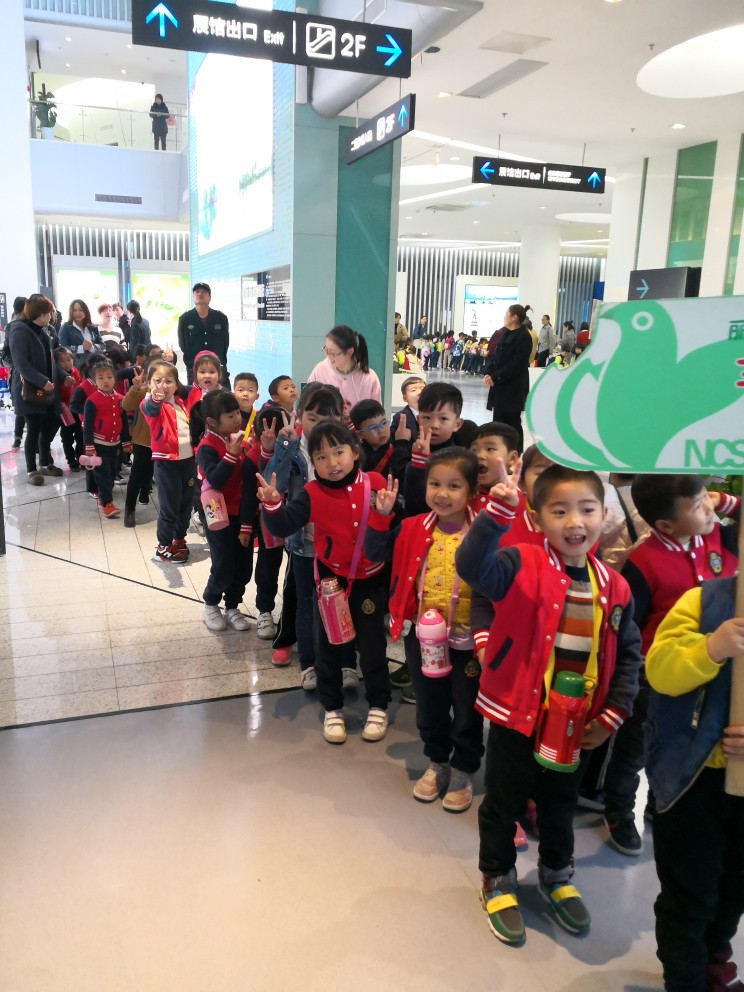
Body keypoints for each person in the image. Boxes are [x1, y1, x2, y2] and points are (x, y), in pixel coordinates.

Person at [455, 464, 641, 945]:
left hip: (576, 725)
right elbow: (473, 569)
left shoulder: (615, 586)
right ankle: (497, 877)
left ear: (603, 515)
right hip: (517, 716)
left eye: (587, 509)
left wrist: (613, 714)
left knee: (560, 806)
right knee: (504, 802)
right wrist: (496, 515)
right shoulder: (520, 562)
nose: (575, 521)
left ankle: (556, 874)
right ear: (537, 520)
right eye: (559, 511)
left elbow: (628, 655)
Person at [598, 476, 740, 856]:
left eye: (706, 499)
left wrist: (723, 500)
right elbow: (628, 627)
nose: (708, 509)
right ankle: (619, 808)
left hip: (716, 674)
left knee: (693, 741)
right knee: (639, 747)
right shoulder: (644, 562)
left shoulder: (718, 538)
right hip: (656, 674)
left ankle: (662, 801)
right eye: (697, 506)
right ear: (665, 525)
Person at [257, 420, 392, 745]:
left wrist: (385, 514)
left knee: (373, 647)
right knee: (328, 647)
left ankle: (378, 705)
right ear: (313, 463)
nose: (332, 463)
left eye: (338, 452)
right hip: (331, 583)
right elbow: (283, 525)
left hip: (370, 580)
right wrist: (273, 504)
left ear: (354, 452)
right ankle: (332, 708)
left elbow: (386, 539)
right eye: (321, 457)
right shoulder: (312, 493)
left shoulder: (374, 484)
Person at [366, 448, 486, 812]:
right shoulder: (413, 526)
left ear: (471, 491)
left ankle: (463, 770)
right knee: (429, 706)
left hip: (469, 642)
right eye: (435, 484)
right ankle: (437, 762)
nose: (442, 493)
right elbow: (376, 552)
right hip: (424, 639)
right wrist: (380, 516)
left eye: (454, 485)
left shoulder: (483, 531)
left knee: (467, 710)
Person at [645, 576, 744, 992]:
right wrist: (711, 647)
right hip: (691, 783)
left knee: (733, 893)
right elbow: (659, 670)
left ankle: (711, 963)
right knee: (690, 897)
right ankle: (685, 981)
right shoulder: (705, 600)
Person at [262, 385, 346, 681]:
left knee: (338, 600)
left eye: (329, 418)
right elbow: (276, 482)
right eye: (312, 418)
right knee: (305, 602)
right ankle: (308, 663)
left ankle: (342, 660)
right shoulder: (295, 449)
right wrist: (284, 446)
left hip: (338, 544)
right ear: (299, 416)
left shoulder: (344, 450)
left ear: (341, 418)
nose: (320, 425)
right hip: (303, 543)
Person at [196, 389, 258, 632]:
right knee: (223, 563)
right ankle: (211, 603)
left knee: (243, 565)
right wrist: (232, 455)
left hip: (240, 512)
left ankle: (232, 605)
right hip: (216, 512)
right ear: (212, 422)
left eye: (237, 413)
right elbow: (216, 478)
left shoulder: (236, 440)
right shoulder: (207, 446)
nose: (237, 419)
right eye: (230, 416)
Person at [8, 295, 69, 485]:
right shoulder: (19, 331)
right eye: (49, 313)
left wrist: (64, 376)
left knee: (48, 426)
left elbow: (51, 361)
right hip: (29, 391)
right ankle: (31, 470)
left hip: (48, 390)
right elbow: (21, 364)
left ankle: (44, 463)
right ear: (40, 314)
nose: (51, 316)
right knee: (33, 429)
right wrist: (42, 381)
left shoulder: (44, 331)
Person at [140, 360, 194, 564]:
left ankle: (179, 539)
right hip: (166, 463)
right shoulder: (150, 403)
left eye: (169, 381)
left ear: (176, 384)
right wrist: (155, 397)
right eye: (157, 380)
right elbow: (151, 409)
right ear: (148, 383)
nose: (163, 385)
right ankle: (163, 546)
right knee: (169, 507)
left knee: (185, 505)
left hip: (188, 462)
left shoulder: (179, 402)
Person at [82, 359, 131, 519]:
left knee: (113, 472)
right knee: (103, 474)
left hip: (115, 444)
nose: (106, 381)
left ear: (114, 379)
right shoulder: (92, 401)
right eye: (101, 378)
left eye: (109, 377)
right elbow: (88, 425)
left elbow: (124, 422)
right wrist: (89, 445)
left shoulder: (120, 398)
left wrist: (126, 441)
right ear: (94, 381)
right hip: (99, 444)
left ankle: (103, 496)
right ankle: (107, 504)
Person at [483, 304, 532, 451]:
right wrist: (489, 373)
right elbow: (496, 357)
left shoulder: (524, 337)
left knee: (512, 422)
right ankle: (500, 451)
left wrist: (496, 377)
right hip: (500, 386)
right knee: (498, 421)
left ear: (514, 317)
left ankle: (514, 453)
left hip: (513, 387)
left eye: (506, 314)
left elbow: (516, 364)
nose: (504, 317)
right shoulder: (505, 333)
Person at [306, 324, 381, 417]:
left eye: (333, 352)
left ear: (350, 352)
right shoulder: (320, 371)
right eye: (326, 350)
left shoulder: (369, 378)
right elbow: (307, 406)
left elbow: (377, 416)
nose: (328, 356)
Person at [120, 358, 155, 528]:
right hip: (143, 440)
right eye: (153, 374)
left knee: (152, 471)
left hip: (162, 441)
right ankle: (130, 508)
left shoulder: (171, 393)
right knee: (137, 473)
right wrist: (135, 387)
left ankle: (145, 490)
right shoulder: (143, 391)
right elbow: (126, 405)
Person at [177, 282, 229, 387]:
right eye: (197, 292)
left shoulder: (221, 318)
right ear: (193, 296)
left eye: (204, 291)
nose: (200, 294)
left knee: (221, 396)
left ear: (209, 297)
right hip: (194, 370)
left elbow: (225, 344)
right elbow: (183, 345)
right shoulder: (185, 319)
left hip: (217, 369)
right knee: (196, 396)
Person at [349, 399, 411, 483]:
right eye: (373, 427)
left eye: (384, 423)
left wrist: (402, 444)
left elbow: (405, 479)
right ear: (360, 434)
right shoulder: (357, 456)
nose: (381, 430)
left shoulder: (398, 448)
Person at [54, 347, 83, 472]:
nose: (66, 363)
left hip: (77, 410)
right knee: (67, 437)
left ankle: (80, 458)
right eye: (62, 361)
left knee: (80, 435)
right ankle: (71, 461)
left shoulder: (76, 371)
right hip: (65, 411)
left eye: (69, 359)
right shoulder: (57, 376)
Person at [59, 299, 105, 370]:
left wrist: (92, 347)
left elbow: (102, 345)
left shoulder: (93, 327)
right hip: (75, 366)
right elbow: (62, 348)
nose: (78, 313)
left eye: (81, 310)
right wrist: (81, 348)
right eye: (74, 310)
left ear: (85, 311)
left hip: (93, 365)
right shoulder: (66, 327)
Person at [391, 375, 424, 445]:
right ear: (405, 398)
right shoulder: (400, 418)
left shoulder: (434, 414)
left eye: (423, 389)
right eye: (414, 390)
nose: (420, 392)